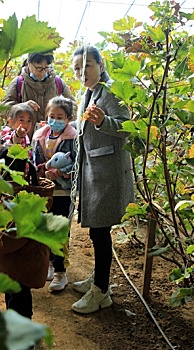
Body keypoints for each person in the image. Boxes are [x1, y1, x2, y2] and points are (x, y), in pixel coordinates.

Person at [69, 45, 135, 314]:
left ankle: (101, 292)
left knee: (99, 231)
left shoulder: (110, 90)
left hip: (108, 174)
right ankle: (98, 280)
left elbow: (128, 127)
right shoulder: (90, 91)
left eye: (86, 66)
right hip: (95, 171)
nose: (81, 72)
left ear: (100, 64)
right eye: (76, 68)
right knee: (98, 230)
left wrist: (104, 121)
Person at [32, 96, 77, 292]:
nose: (55, 120)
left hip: (63, 192)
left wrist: (61, 172)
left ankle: (61, 271)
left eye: (60, 117)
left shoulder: (73, 138)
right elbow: (34, 160)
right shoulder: (40, 136)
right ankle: (49, 263)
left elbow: (78, 163)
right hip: (44, 192)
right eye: (51, 116)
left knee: (59, 230)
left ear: (68, 118)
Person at [2, 52, 74, 139]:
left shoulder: (58, 83)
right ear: (29, 64)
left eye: (46, 68)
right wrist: (22, 107)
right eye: (39, 68)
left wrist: (57, 116)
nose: (43, 72)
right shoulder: (18, 83)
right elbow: (3, 110)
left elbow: (73, 106)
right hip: (23, 138)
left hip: (50, 140)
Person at [0, 229, 49, 319]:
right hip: (17, 265)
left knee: (19, 303)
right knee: (14, 298)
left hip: (21, 268)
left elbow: (7, 240)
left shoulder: (21, 219)